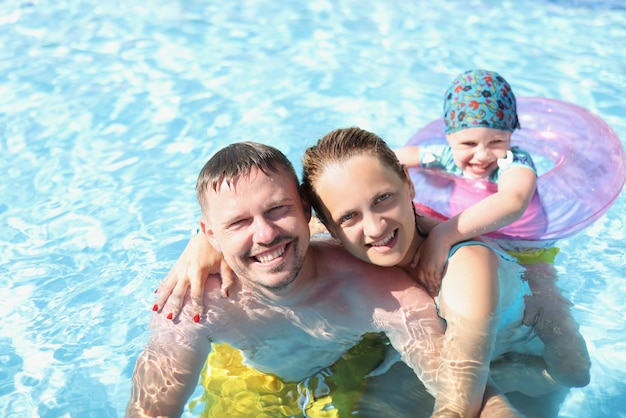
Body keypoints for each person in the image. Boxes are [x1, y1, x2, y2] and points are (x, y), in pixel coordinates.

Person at [146, 136, 578, 417]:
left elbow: (468, 392)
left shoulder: (389, 290)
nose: (264, 234)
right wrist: (203, 243)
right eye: (238, 223)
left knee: (568, 371)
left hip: (497, 342)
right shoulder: (194, 301)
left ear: (303, 213)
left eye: (278, 210)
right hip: (257, 373)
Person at [393, 69, 590, 387]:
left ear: (511, 136)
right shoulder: (445, 157)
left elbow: (513, 201)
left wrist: (443, 233)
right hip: (473, 248)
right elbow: (385, 159)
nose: (482, 155)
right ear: (448, 137)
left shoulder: (517, 163)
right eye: (468, 142)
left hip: (526, 256)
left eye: (496, 141)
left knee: (560, 336)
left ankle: (549, 373)